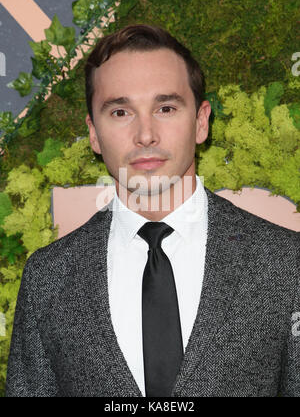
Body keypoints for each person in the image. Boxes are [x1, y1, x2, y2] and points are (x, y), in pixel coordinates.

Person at [6, 24, 300, 398]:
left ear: (200, 121)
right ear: (93, 133)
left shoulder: (287, 264)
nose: (146, 135)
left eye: (165, 108)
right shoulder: (48, 278)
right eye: (120, 112)